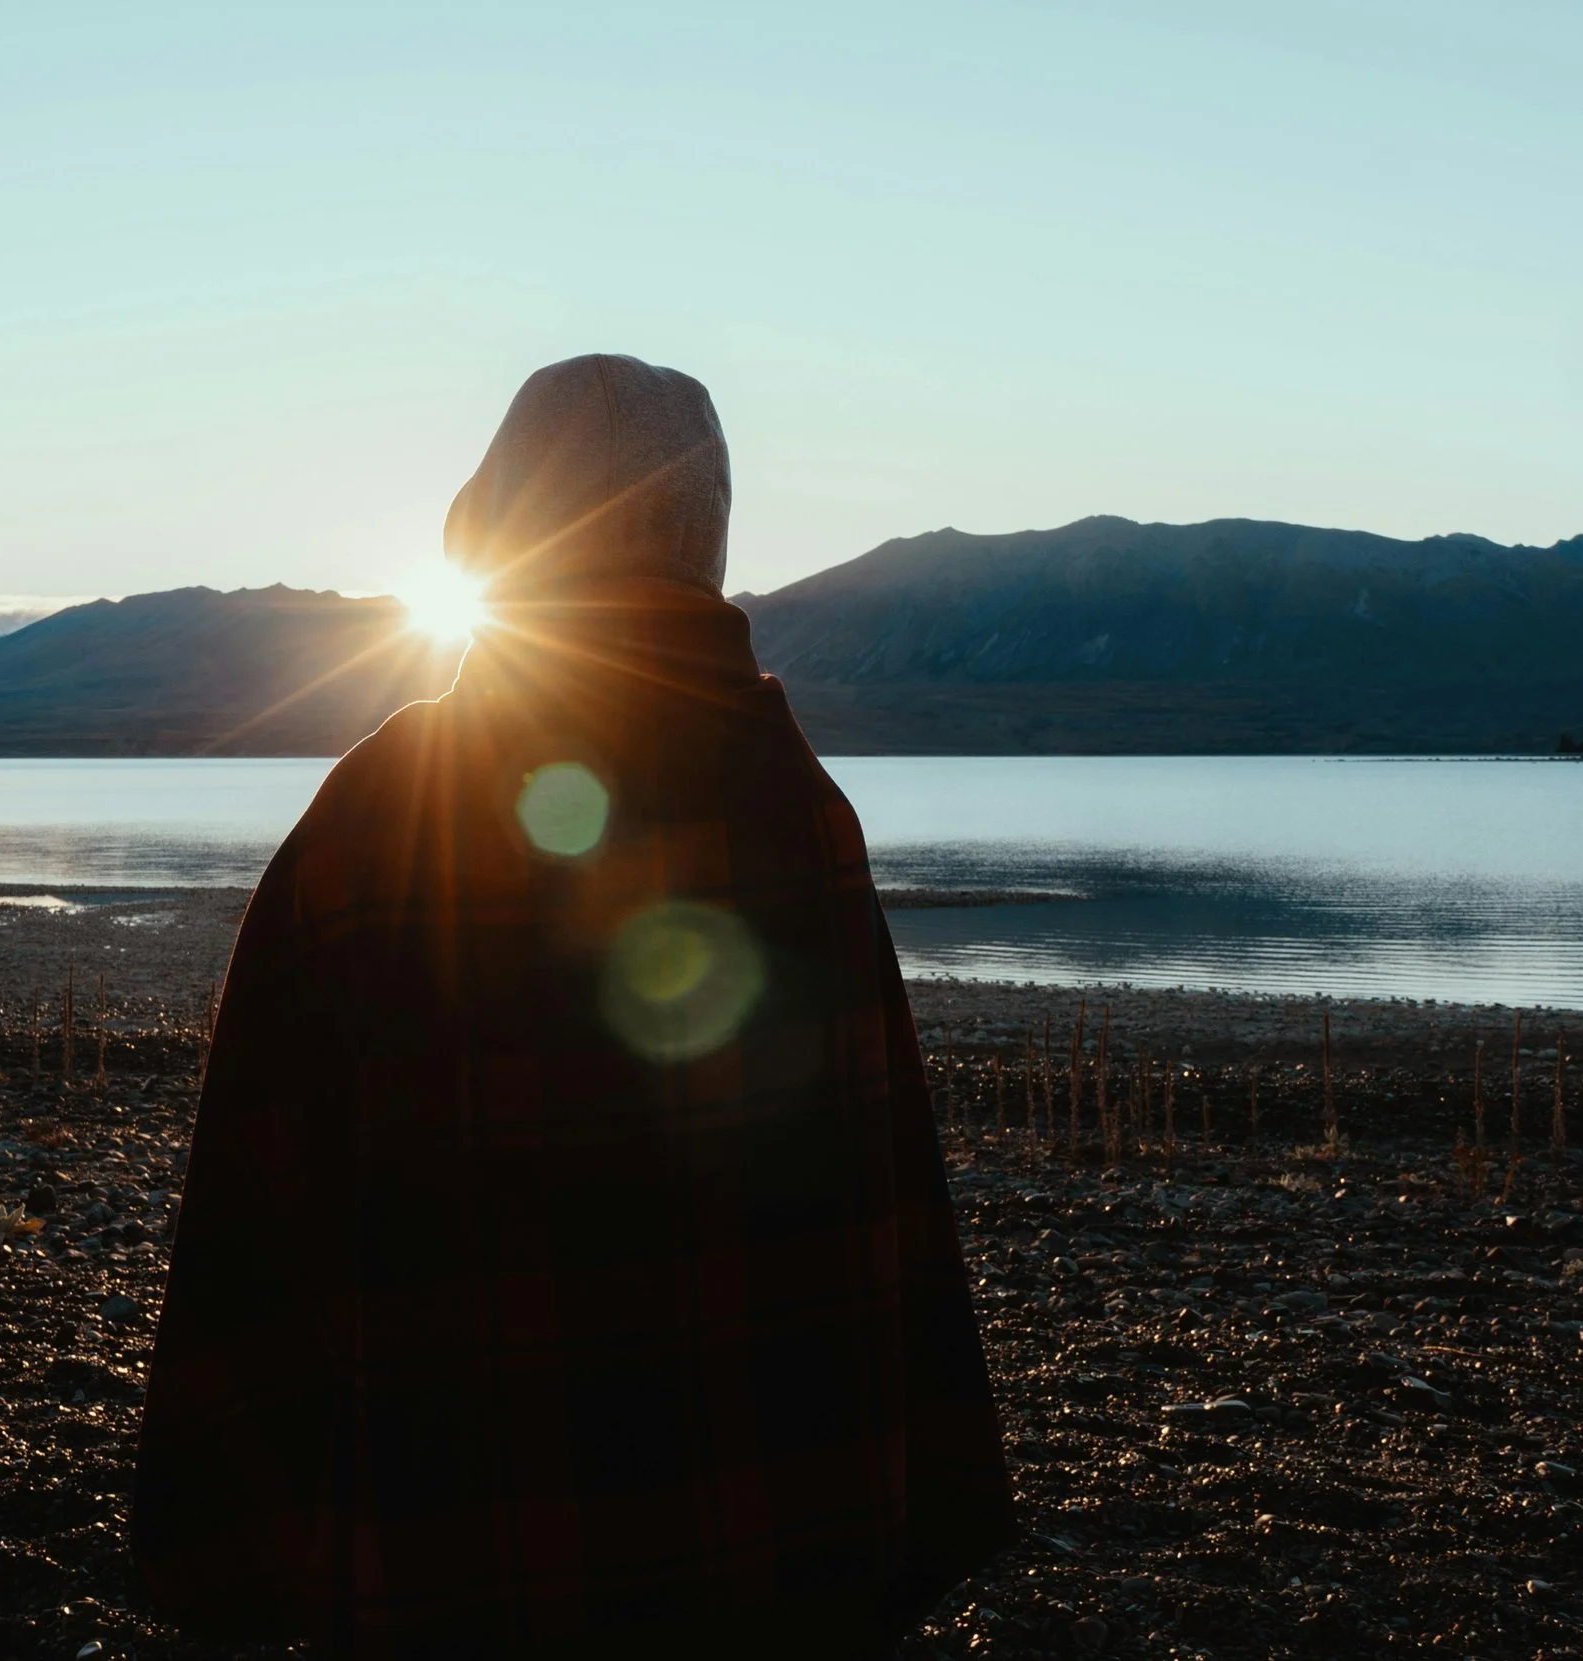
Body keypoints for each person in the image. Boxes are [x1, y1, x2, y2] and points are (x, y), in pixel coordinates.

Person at [133, 354, 1013, 1658]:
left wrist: (224, 1545)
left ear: (495, 530)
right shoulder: (800, 811)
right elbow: (881, 1203)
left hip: (467, 1550)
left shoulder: (385, 813)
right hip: (777, 1544)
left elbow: (258, 1213)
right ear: (704, 542)